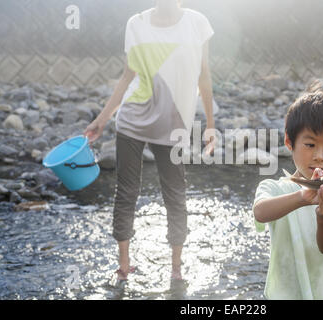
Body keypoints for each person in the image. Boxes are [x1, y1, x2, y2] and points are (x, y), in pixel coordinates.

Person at [83, 0, 215, 283]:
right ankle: (123, 265)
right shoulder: (136, 24)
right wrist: (103, 119)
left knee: (175, 194)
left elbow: (204, 76)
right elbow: (129, 74)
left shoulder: (197, 22)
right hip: (132, 120)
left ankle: (176, 269)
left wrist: (211, 125)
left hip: (174, 124)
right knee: (127, 192)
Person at [253, 89, 323, 299]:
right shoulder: (274, 187)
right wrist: (303, 197)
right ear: (289, 142)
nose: (320, 156)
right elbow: (260, 212)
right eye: (310, 144)